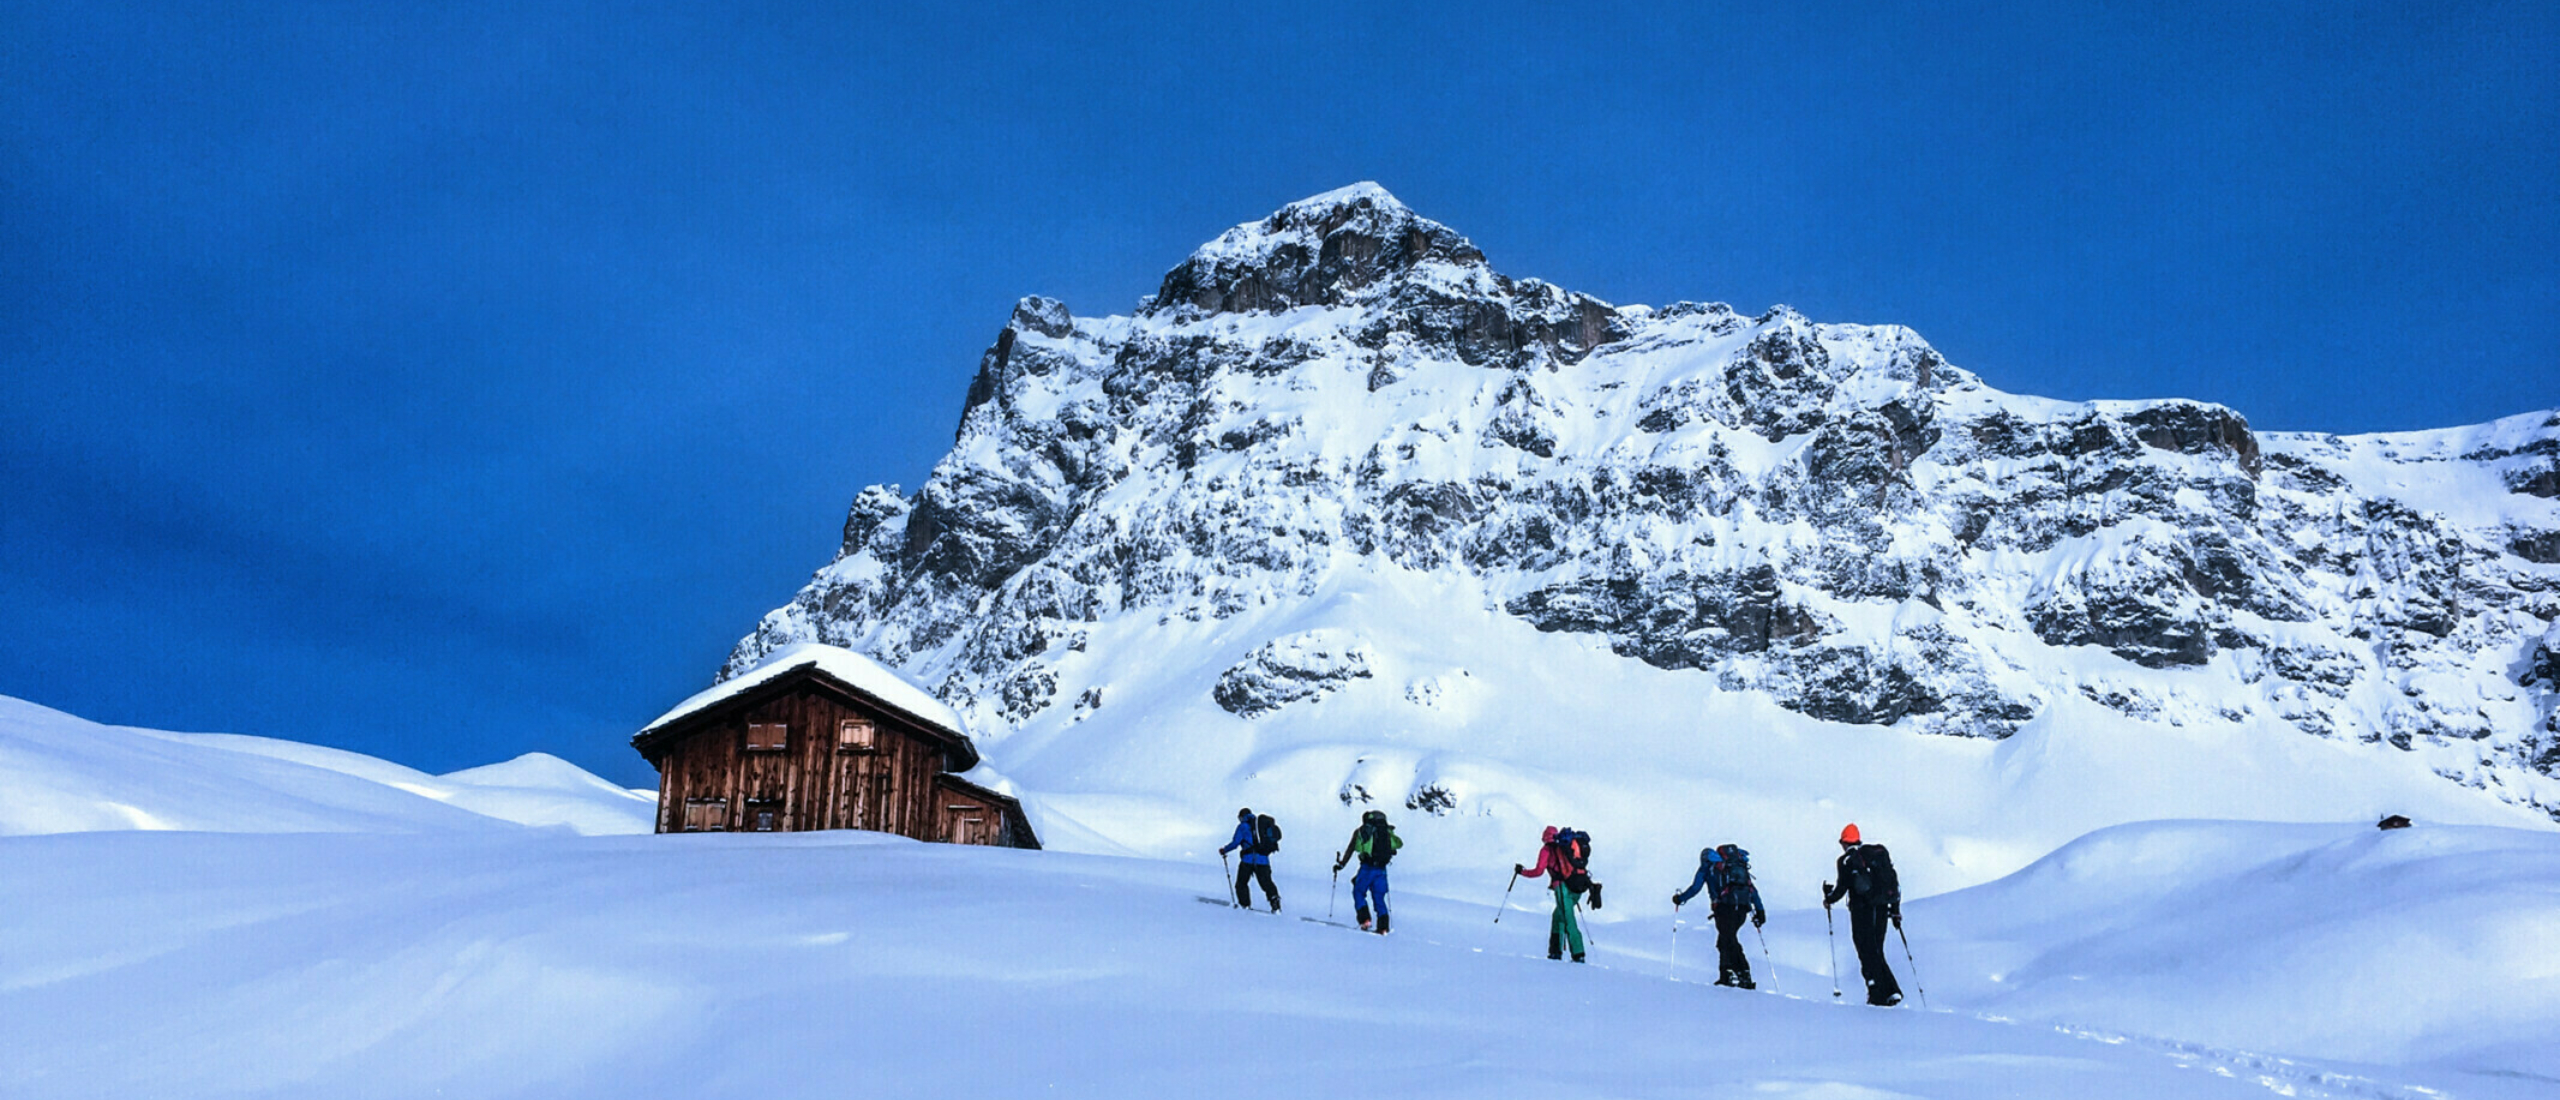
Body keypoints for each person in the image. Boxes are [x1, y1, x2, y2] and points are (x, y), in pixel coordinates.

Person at [1821, 823, 1903, 1006]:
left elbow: (1842, 888)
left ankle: (1876, 992)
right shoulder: (1876, 857)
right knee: (1877, 949)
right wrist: (1895, 911)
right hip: (1882, 908)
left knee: (1865, 950)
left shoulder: (1846, 861)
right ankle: (1892, 990)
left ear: (1843, 842)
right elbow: (1893, 882)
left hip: (1862, 910)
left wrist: (1829, 899)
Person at [1674, 843, 1766, 988]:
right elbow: (1752, 889)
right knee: (1725, 939)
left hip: (1724, 909)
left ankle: (1739, 973)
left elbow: (1695, 888)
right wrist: (1760, 911)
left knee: (1728, 939)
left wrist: (1680, 899)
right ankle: (1730, 974)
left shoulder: (1707, 867)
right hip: (1742, 909)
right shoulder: (1737, 866)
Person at [1515, 825, 1599, 962]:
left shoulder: (1547, 850)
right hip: (1577, 888)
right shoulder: (1566, 849)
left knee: (1568, 920)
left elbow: (1538, 872)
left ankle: (1578, 954)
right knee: (1557, 917)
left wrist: (1522, 872)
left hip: (1562, 888)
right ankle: (1555, 951)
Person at [1331, 809, 1402, 934]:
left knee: (1358, 892)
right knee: (1379, 897)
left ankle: (1365, 920)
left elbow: (1353, 848)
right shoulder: (1386, 832)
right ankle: (1383, 927)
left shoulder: (1362, 832)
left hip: (1367, 867)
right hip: (1382, 869)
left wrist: (1341, 864)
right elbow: (1398, 845)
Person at [1219, 807, 1281, 912]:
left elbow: (1235, 843)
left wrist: (1224, 850)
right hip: (1263, 860)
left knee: (1241, 883)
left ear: (1242, 816)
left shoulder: (1243, 826)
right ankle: (1275, 904)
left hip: (1248, 860)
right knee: (1266, 883)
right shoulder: (1261, 827)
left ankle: (1245, 906)